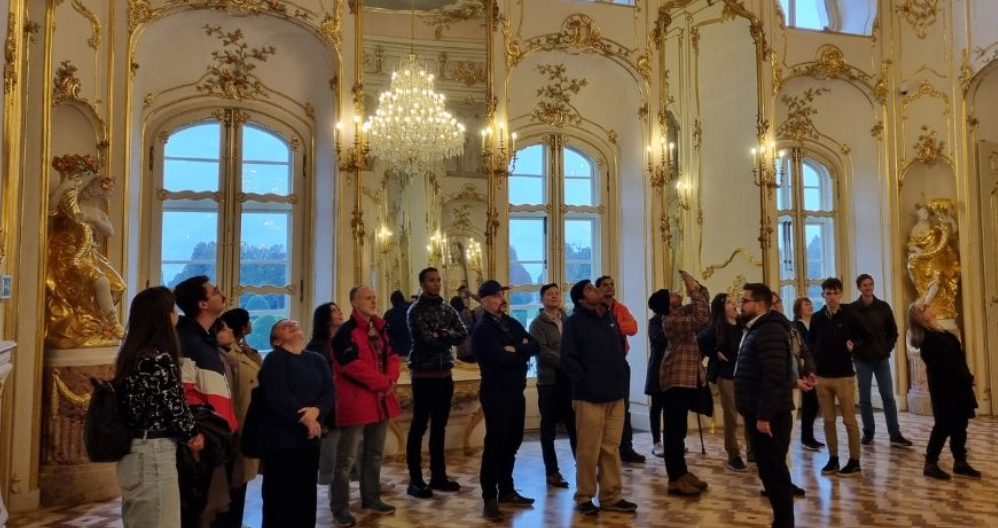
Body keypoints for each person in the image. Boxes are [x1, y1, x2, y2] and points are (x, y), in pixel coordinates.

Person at [114, 286, 204, 528]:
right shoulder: (157, 358)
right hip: (153, 450)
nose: (177, 314)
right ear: (163, 316)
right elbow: (174, 404)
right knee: (161, 520)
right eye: (173, 309)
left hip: (133, 451)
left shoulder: (132, 354)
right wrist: (193, 434)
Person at [561, 279, 638, 517]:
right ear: (582, 299)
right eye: (590, 289)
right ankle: (584, 496)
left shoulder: (608, 318)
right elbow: (569, 359)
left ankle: (611, 496)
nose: (596, 290)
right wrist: (586, 383)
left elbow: (619, 351)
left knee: (610, 448)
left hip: (615, 395)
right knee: (588, 449)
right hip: (589, 396)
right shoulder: (574, 323)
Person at [330, 286, 401, 526]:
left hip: (380, 399)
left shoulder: (380, 328)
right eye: (368, 297)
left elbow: (391, 356)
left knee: (374, 455)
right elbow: (352, 366)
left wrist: (390, 380)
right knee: (346, 460)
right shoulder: (344, 333)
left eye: (374, 297)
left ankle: (371, 498)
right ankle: (340, 507)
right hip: (357, 400)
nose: (374, 300)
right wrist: (383, 383)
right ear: (354, 302)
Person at [473, 280, 540, 520]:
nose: (502, 299)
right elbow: (500, 359)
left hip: (515, 390)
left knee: (513, 441)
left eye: (502, 294)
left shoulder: (510, 323)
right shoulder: (483, 329)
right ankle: (489, 497)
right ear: (484, 301)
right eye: (497, 295)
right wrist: (516, 352)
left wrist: (516, 349)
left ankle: (507, 489)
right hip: (496, 392)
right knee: (496, 443)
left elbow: (535, 346)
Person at [257, 319, 334, 528]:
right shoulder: (275, 359)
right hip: (282, 440)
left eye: (294, 322)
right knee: (280, 499)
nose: (291, 325)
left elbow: (329, 392)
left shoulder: (317, 359)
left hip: (310, 440)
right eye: (284, 326)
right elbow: (278, 394)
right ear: (276, 341)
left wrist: (317, 411)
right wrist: (307, 419)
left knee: (305, 496)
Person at [734, 283, 795, 528]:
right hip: (760, 413)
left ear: (759, 305)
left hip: (771, 417)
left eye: (745, 300)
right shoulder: (756, 328)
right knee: (769, 472)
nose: (741, 304)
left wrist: (764, 416)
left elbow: (773, 376)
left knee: (775, 474)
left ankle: (784, 523)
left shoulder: (768, 330)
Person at [406, 267, 468, 498]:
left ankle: (438, 475)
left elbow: (462, 334)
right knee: (419, 426)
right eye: (431, 281)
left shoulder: (447, 308)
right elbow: (425, 340)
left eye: (438, 280)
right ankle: (415, 480)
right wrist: (442, 336)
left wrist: (439, 333)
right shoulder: (415, 310)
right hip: (423, 375)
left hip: (445, 374)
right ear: (422, 284)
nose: (436, 284)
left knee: (439, 427)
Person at [907, 301, 982, 480]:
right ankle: (930, 463)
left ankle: (960, 461)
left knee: (960, 424)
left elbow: (957, 359)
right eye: (925, 306)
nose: (930, 304)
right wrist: (967, 377)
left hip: (958, 384)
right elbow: (947, 365)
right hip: (945, 388)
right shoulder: (930, 339)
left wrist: (967, 376)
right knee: (944, 425)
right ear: (923, 316)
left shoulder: (940, 332)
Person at [808, 277, 865, 477]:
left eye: (835, 293)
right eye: (828, 293)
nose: (832, 297)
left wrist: (855, 346)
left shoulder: (850, 315)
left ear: (840, 294)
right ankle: (833, 459)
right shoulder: (816, 318)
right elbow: (811, 343)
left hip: (844, 376)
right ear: (823, 295)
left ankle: (855, 460)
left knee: (849, 420)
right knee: (828, 421)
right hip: (823, 377)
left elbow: (863, 337)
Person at [660, 270, 710, 496]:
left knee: (678, 431)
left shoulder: (680, 312)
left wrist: (695, 284)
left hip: (687, 379)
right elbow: (701, 318)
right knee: (673, 432)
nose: (675, 293)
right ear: (666, 305)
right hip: (676, 380)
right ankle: (675, 478)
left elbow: (704, 303)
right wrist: (691, 289)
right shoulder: (672, 320)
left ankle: (682, 472)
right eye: (671, 294)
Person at [851, 274, 913, 448]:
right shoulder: (853, 310)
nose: (868, 287)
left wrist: (887, 348)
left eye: (870, 284)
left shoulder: (883, 307)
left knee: (888, 396)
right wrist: (856, 348)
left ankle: (895, 433)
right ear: (859, 287)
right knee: (864, 398)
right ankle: (868, 432)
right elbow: (849, 334)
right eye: (864, 285)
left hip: (881, 358)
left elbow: (893, 332)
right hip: (862, 359)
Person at [213, 308, 261, 528]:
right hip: (235, 425)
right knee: (232, 483)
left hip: (247, 424)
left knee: (239, 482)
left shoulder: (242, 350)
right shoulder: (226, 354)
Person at [529, 283, 577, 487]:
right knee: (548, 428)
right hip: (549, 381)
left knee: (575, 426)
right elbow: (540, 350)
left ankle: (582, 465)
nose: (554, 297)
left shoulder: (568, 320)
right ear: (542, 299)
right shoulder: (537, 324)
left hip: (570, 381)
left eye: (557, 294)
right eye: (549, 294)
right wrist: (566, 362)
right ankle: (552, 471)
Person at [698, 292, 750, 472]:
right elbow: (701, 341)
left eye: (733, 301)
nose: (733, 304)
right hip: (726, 375)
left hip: (744, 375)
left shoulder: (742, 324)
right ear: (722, 308)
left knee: (749, 414)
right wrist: (715, 353)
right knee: (731, 416)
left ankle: (752, 450)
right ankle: (733, 454)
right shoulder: (716, 327)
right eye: (729, 302)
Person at [596, 275, 645, 463]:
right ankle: (602, 449)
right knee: (602, 408)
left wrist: (613, 326)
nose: (609, 287)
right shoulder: (596, 310)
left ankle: (626, 448)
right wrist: (617, 326)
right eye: (605, 285)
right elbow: (598, 331)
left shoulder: (620, 308)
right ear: (598, 289)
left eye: (611, 284)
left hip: (620, 362)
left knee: (624, 406)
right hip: (600, 365)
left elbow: (633, 327)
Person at [306, 302, 345, 501]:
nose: (340, 312)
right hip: (328, 406)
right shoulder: (315, 348)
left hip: (346, 402)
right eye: (334, 311)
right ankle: (335, 496)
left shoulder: (344, 341)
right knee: (332, 451)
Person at [792, 297, 823, 451]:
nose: (810, 306)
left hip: (819, 366)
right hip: (806, 369)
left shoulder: (816, 323)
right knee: (811, 403)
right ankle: (806, 437)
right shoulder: (795, 326)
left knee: (815, 403)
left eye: (810, 303)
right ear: (798, 309)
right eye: (806, 304)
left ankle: (809, 436)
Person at [644, 289, 671, 458]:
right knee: (657, 407)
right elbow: (664, 338)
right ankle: (656, 441)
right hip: (658, 368)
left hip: (672, 368)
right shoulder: (654, 322)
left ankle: (672, 441)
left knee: (672, 408)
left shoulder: (674, 319)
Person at [384, 291, 413, 357]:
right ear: (403, 299)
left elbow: (384, 333)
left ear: (393, 302)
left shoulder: (389, 314)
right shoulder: (411, 310)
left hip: (396, 352)